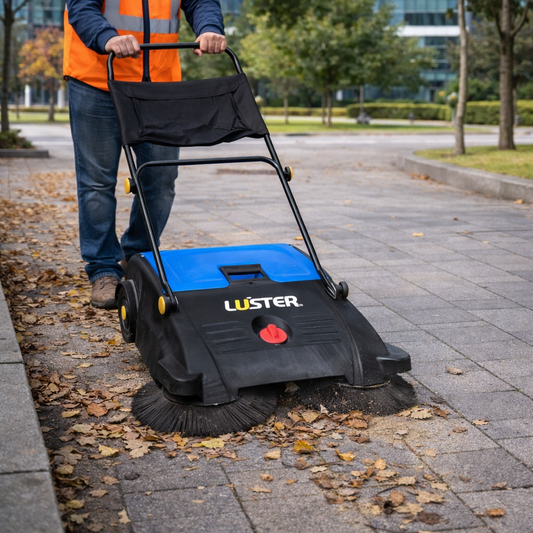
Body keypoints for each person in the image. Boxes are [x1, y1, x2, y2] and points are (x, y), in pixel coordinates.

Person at [64, 0, 226, 308]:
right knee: (97, 183)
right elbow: (82, 7)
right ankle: (103, 269)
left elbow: (200, 1)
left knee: (161, 179)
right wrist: (107, 37)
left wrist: (208, 27)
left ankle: (137, 257)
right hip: (97, 79)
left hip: (159, 84)